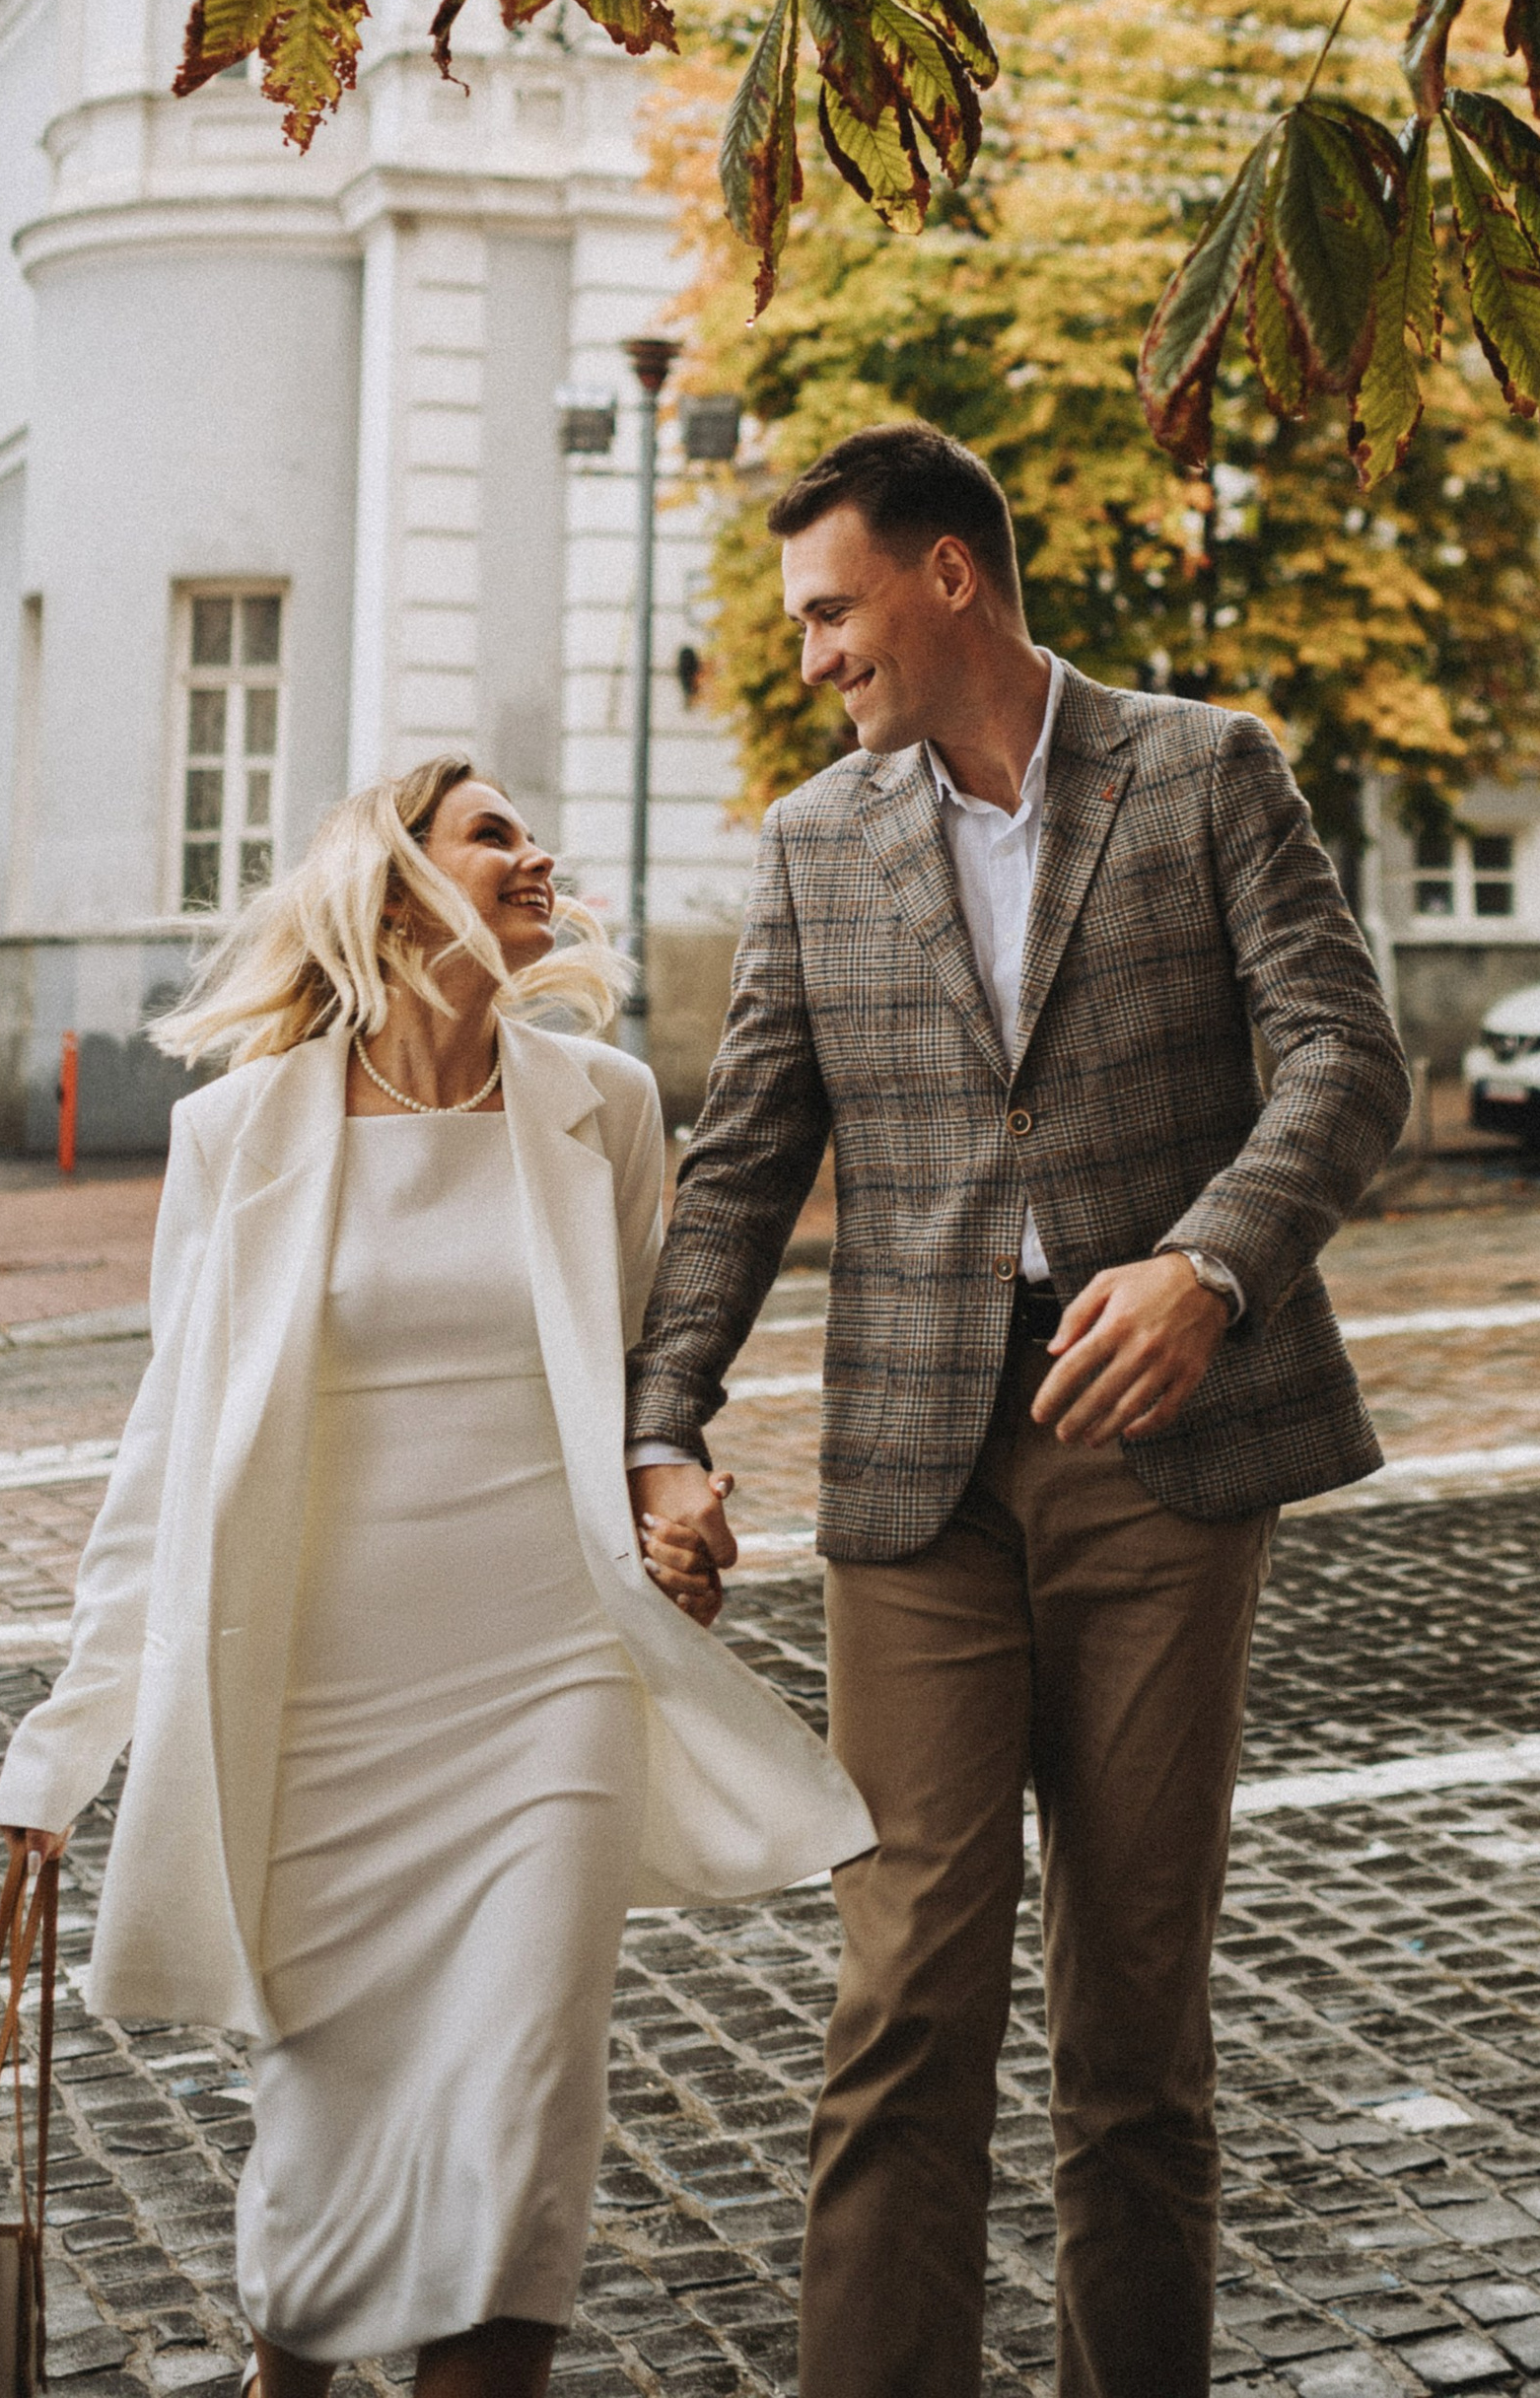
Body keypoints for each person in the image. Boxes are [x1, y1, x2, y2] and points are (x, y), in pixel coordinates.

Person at [627, 424, 1411, 2398]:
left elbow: (1342, 1053)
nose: (813, 653)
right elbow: (743, 1160)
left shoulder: (1204, 769)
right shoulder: (816, 840)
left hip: (1161, 1458)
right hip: (917, 1485)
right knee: (902, 1999)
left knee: (1131, 2020)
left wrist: (1209, 1266)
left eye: (832, 610)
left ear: (948, 574)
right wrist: (662, 1421)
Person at [0, 759, 871, 2398]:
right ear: (395, 889)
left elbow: (639, 1382)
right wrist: (65, 1748)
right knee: (323, 2136)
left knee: (526, 2120)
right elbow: (169, 1452)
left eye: (532, 831)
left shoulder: (603, 1106)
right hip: (324, 1702)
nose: (536, 853)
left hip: (549, 1685)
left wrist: (668, 1493)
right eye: (492, 833)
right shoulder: (240, 1132)